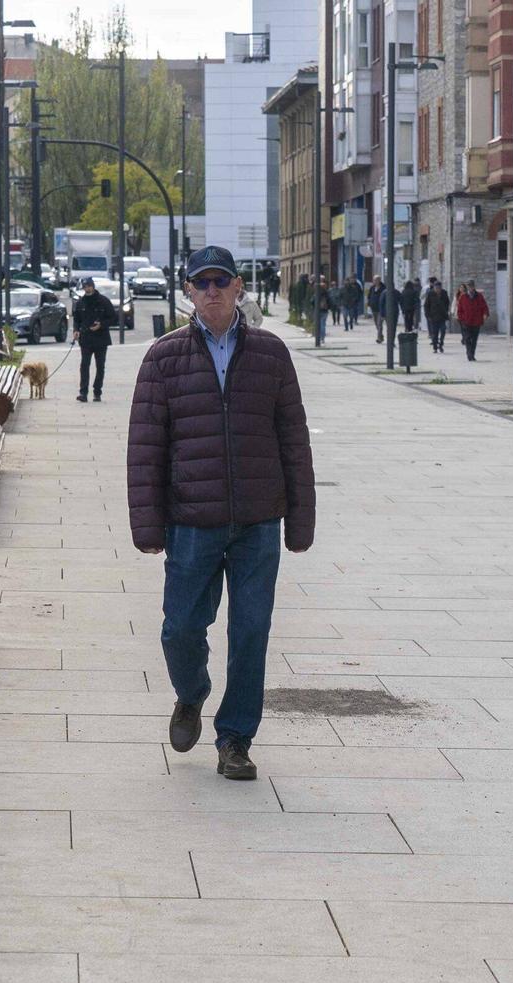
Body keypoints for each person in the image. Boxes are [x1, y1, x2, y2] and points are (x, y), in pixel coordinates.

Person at [128, 246, 317, 780]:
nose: (211, 291)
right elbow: (145, 447)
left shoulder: (271, 354)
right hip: (191, 520)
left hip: (258, 519)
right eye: (201, 282)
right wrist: (147, 524)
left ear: (239, 287)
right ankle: (191, 693)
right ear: (188, 291)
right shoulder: (163, 357)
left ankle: (235, 738)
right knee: (180, 629)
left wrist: (300, 520)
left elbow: (294, 440)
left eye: (221, 281)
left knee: (251, 630)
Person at [74, 277, 115, 402]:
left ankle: (97, 392)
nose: (87, 288)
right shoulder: (80, 302)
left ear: (93, 286)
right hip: (86, 338)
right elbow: (77, 319)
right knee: (84, 365)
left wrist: (101, 325)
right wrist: (76, 330)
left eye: (89, 286)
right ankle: (83, 392)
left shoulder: (103, 301)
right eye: (85, 287)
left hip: (101, 339)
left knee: (100, 366)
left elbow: (113, 318)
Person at [456, 280, 489, 361]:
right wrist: (461, 319)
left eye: (471, 286)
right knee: (467, 338)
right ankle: (469, 353)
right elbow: (459, 310)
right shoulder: (463, 297)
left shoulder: (479, 296)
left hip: (476, 321)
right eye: (468, 286)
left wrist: (485, 314)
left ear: (474, 287)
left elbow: (484, 306)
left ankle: (472, 354)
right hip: (466, 321)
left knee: (474, 339)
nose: (470, 288)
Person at [422, 278, 451, 354]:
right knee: (435, 333)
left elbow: (447, 303)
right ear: (434, 288)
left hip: (442, 316)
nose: (438, 290)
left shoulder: (444, 293)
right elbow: (426, 305)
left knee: (443, 330)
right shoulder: (430, 294)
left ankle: (441, 344)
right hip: (433, 317)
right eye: (436, 288)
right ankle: (435, 347)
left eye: (439, 288)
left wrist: (446, 311)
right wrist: (427, 315)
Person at [397, 277, 422, 345]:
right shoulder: (414, 291)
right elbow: (417, 300)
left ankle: (407, 329)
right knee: (411, 320)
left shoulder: (403, 292)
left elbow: (401, 301)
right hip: (411, 308)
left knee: (406, 319)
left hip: (405, 308)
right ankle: (410, 330)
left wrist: (402, 308)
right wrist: (415, 306)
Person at [367, 276, 386, 342]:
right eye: (374, 280)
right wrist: (369, 304)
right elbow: (369, 296)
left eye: (376, 280)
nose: (375, 281)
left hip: (381, 309)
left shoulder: (383, 288)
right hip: (374, 308)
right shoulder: (372, 288)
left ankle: (379, 338)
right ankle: (381, 336)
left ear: (379, 280)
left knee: (379, 323)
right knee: (376, 324)